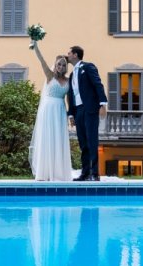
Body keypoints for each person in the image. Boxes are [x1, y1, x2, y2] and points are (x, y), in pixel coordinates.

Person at [29, 41, 73, 181]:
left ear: (66, 67)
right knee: (48, 138)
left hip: (60, 110)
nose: (61, 66)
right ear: (55, 65)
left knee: (58, 139)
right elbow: (41, 60)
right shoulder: (49, 75)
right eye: (59, 64)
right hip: (48, 110)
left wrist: (70, 114)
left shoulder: (68, 80)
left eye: (64, 65)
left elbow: (68, 99)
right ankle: (44, 172)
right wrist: (35, 45)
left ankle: (59, 172)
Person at [66, 45, 107, 181]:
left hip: (90, 109)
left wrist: (102, 104)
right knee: (82, 142)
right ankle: (85, 173)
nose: (68, 55)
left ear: (75, 55)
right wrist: (71, 114)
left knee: (92, 141)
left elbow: (97, 84)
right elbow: (71, 95)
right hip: (78, 111)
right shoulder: (72, 74)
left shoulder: (88, 67)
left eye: (69, 53)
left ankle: (95, 173)